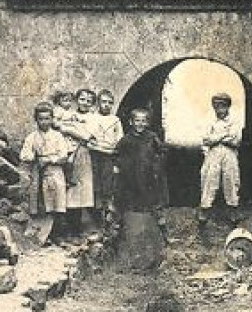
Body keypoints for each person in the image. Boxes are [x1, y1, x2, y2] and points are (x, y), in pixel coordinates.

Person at [115, 107, 169, 271]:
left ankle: (161, 238)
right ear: (131, 122)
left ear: (148, 122)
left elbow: (162, 151)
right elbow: (118, 156)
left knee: (151, 205)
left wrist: (156, 166)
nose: (140, 124)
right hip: (131, 180)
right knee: (131, 207)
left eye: (144, 121)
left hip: (148, 179)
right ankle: (126, 243)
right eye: (137, 120)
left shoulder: (151, 137)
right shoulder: (126, 140)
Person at [20, 101, 69, 245]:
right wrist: (33, 156)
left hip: (55, 172)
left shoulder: (58, 137)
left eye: (47, 118)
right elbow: (24, 155)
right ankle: (42, 235)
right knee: (41, 202)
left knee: (57, 202)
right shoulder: (32, 137)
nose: (44, 122)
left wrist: (49, 159)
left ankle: (57, 235)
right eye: (41, 119)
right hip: (38, 171)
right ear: (36, 119)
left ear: (52, 119)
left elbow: (63, 155)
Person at [55, 87, 98, 241]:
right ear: (76, 100)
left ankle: (79, 227)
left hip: (85, 156)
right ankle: (66, 229)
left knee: (82, 191)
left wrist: (72, 131)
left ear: (92, 104)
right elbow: (61, 129)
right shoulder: (71, 115)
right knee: (69, 191)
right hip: (70, 153)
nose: (84, 103)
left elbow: (91, 135)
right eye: (82, 99)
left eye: (88, 101)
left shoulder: (94, 118)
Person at [198, 93, 242, 228]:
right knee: (209, 179)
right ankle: (205, 209)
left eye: (222, 106)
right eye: (216, 106)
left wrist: (215, 138)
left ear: (228, 107)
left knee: (231, 179)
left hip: (229, 153)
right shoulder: (209, 120)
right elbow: (206, 139)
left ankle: (233, 210)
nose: (219, 110)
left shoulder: (234, 121)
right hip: (213, 154)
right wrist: (224, 135)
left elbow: (235, 141)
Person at [88, 89, 123, 222]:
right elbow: (89, 138)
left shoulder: (115, 120)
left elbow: (119, 139)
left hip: (109, 155)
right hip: (95, 155)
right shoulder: (92, 118)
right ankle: (96, 216)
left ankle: (108, 214)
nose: (106, 105)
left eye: (110, 102)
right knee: (95, 184)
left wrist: (113, 150)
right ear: (98, 103)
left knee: (108, 183)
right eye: (103, 102)